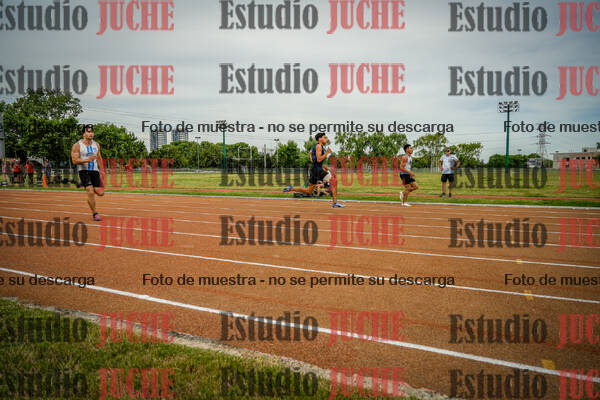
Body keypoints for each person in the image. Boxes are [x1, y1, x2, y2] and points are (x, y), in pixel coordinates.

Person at [283, 133, 344, 208]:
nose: (326, 139)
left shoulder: (317, 146)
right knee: (334, 181)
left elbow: (313, 161)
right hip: (318, 170)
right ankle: (334, 203)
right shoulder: (319, 146)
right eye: (324, 138)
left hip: (314, 170)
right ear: (319, 139)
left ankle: (291, 188)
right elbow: (319, 160)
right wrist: (326, 153)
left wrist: (311, 155)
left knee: (309, 191)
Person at [71, 124, 105, 221]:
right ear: (83, 134)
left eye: (92, 131)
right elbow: (74, 161)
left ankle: (84, 185)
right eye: (88, 131)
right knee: (90, 191)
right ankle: (95, 213)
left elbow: (99, 157)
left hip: (95, 171)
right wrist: (87, 159)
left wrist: (102, 170)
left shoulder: (96, 145)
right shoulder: (77, 146)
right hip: (84, 170)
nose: (91, 133)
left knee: (100, 193)